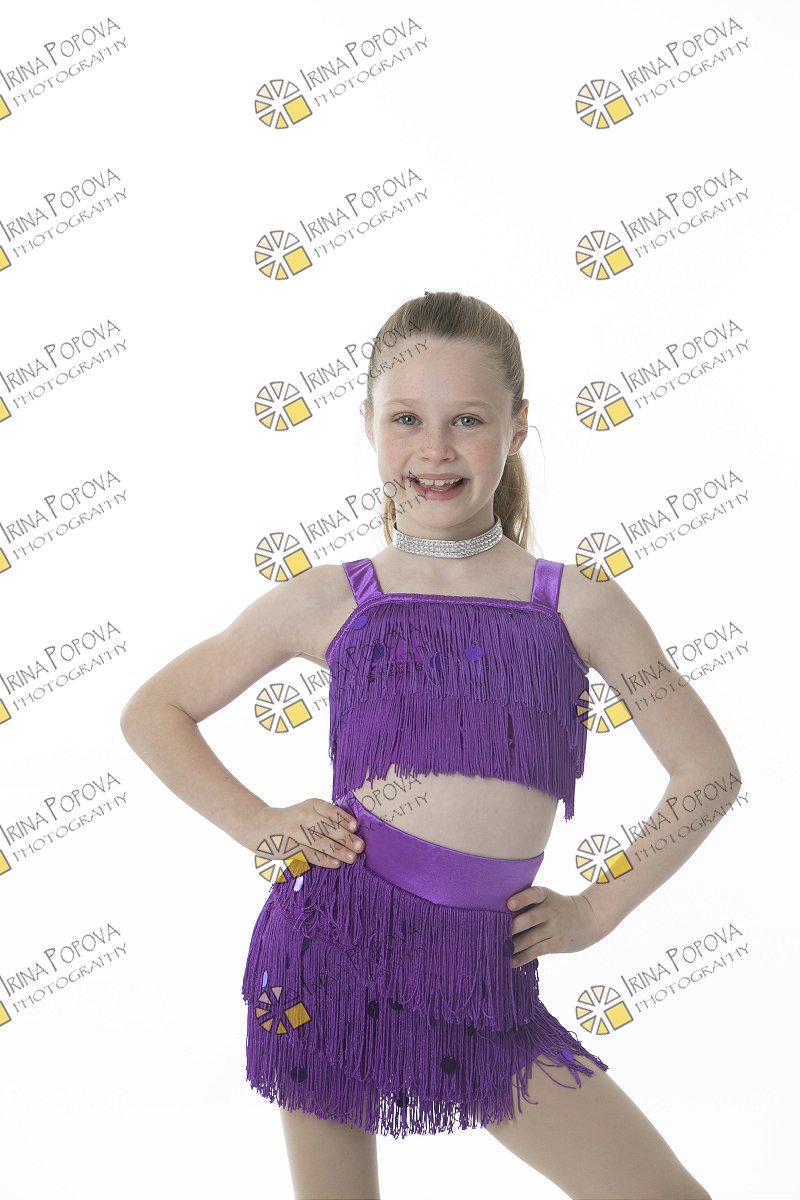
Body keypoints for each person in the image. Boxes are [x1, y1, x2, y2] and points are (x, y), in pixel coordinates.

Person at [120, 291, 733, 1200]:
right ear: (369, 426)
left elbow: (707, 773)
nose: (435, 448)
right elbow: (156, 710)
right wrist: (259, 824)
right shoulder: (331, 598)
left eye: (468, 420)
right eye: (406, 419)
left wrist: (597, 911)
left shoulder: (576, 604)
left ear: (517, 428)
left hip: (484, 976)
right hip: (330, 948)